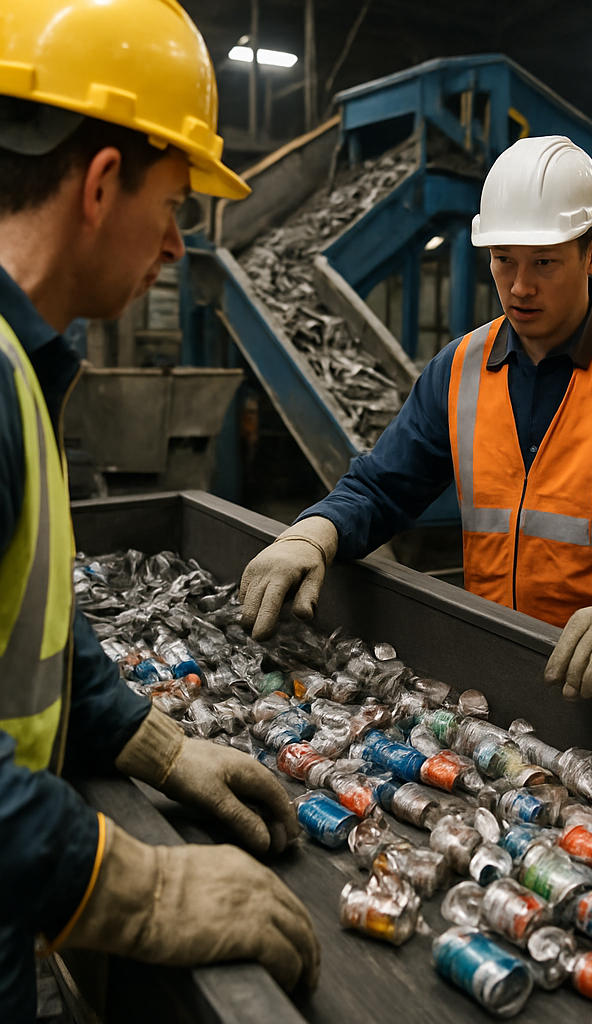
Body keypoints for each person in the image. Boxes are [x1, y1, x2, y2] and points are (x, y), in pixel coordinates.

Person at [0, 2, 319, 1018]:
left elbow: (31, 625)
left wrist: (155, 745)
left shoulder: (19, 364)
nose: (177, 247)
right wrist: (131, 890)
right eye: (174, 204)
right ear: (100, 185)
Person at [240, 135, 592, 699]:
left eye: (545, 263)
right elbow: (384, 485)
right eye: (503, 260)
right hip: (496, 668)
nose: (520, 286)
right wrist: (314, 533)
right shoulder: (460, 368)